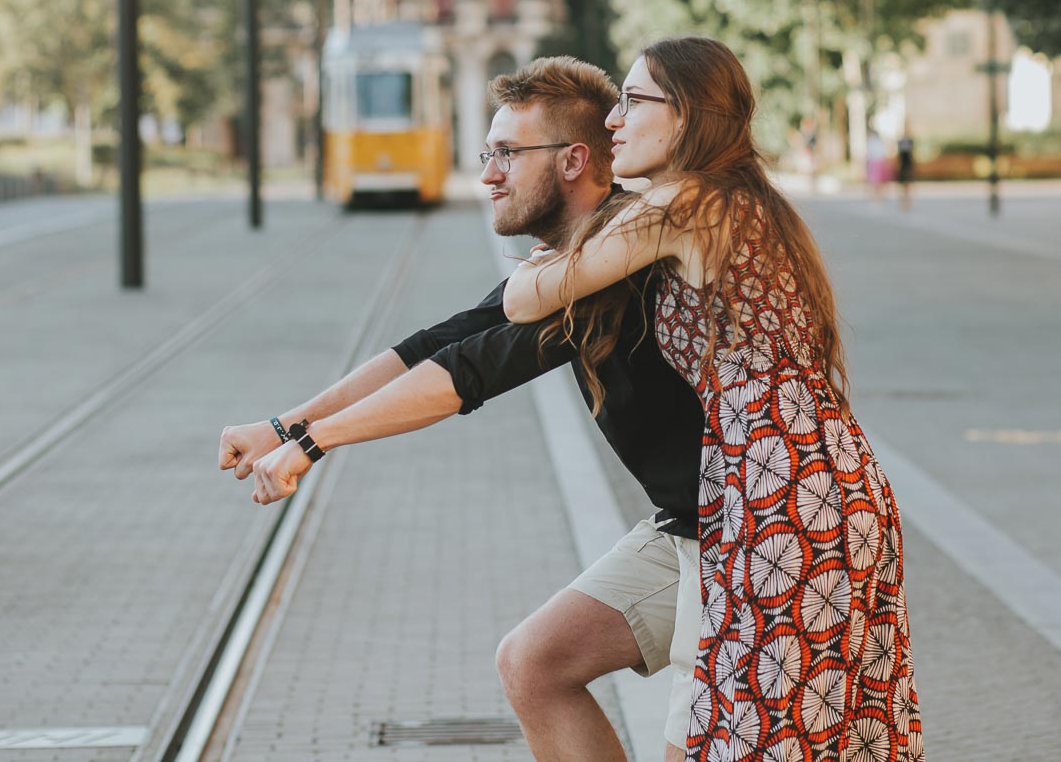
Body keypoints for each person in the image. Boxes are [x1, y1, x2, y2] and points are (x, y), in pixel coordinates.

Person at [221, 57, 707, 762]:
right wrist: (283, 426)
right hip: (689, 531)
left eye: (507, 153)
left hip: (754, 544)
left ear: (574, 161)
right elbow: (440, 343)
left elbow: (466, 374)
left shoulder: (617, 260)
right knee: (533, 663)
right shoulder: (567, 258)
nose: (487, 174)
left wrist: (313, 445)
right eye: (488, 153)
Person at [504, 37, 923, 762]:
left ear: (688, 116)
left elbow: (526, 299)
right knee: (774, 731)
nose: (613, 121)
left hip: (780, 502)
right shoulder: (744, 199)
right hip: (813, 488)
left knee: (757, 733)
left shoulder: (683, 202)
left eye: (634, 103)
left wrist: (543, 264)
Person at [895, 134, 916, 211]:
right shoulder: (901, 142)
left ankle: (907, 202)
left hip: (908, 166)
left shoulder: (910, 142)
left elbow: (911, 154)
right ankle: (904, 202)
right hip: (903, 166)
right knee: (904, 186)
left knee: (908, 186)